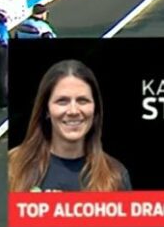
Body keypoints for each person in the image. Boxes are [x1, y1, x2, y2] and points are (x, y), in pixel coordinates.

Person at [8, 59, 132, 192]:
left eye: (82, 101)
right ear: (46, 110)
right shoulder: (12, 167)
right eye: (62, 101)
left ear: (95, 109)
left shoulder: (115, 176)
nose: (73, 111)